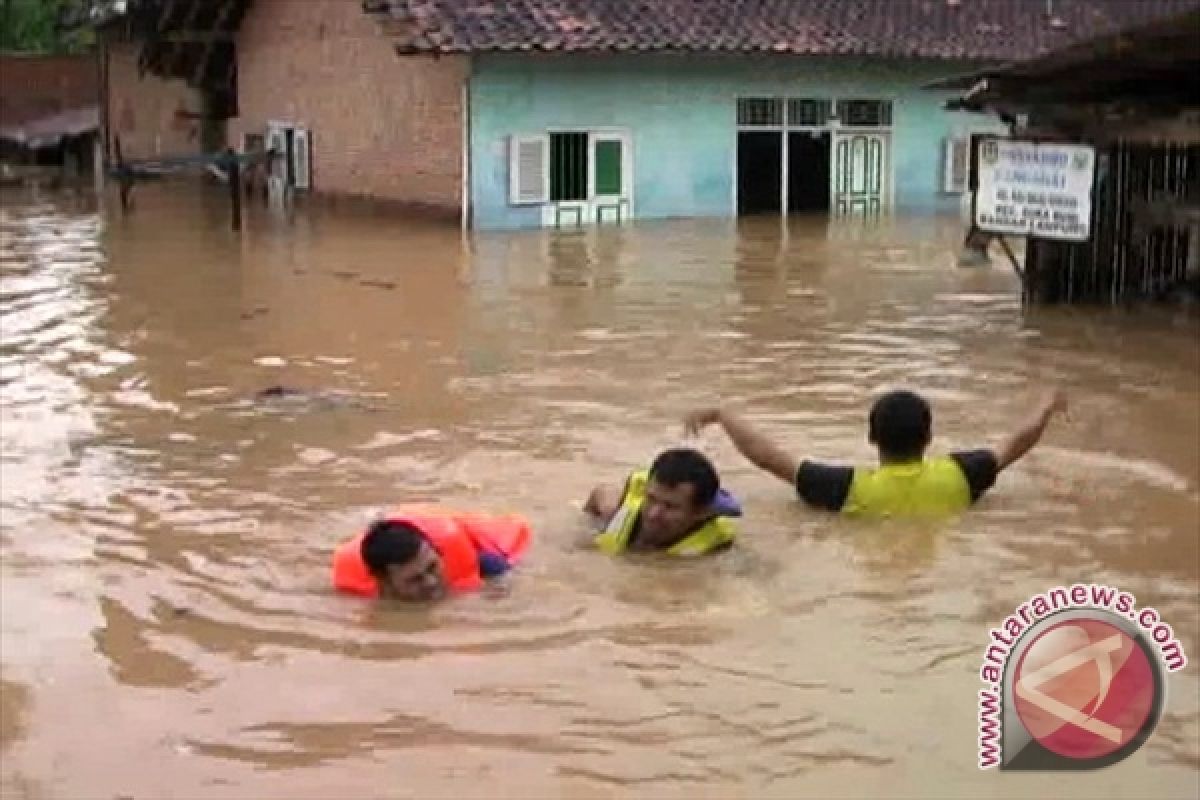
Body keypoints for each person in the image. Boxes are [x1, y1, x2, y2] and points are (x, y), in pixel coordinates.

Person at [683, 388, 1068, 518]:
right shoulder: (963, 474)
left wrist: (722, 414)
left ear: (871, 438)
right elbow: (1016, 443)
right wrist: (1046, 407)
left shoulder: (847, 488)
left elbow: (767, 456)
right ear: (929, 436)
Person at [332, 505, 532, 602]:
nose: (431, 582)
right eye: (415, 579)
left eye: (433, 567)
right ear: (383, 582)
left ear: (437, 552)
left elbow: (501, 573)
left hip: (461, 534)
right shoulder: (353, 588)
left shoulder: (481, 563)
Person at [583, 447, 742, 556]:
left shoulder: (717, 548)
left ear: (701, 513)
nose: (654, 514)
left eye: (670, 507)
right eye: (651, 499)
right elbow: (600, 492)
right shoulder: (618, 506)